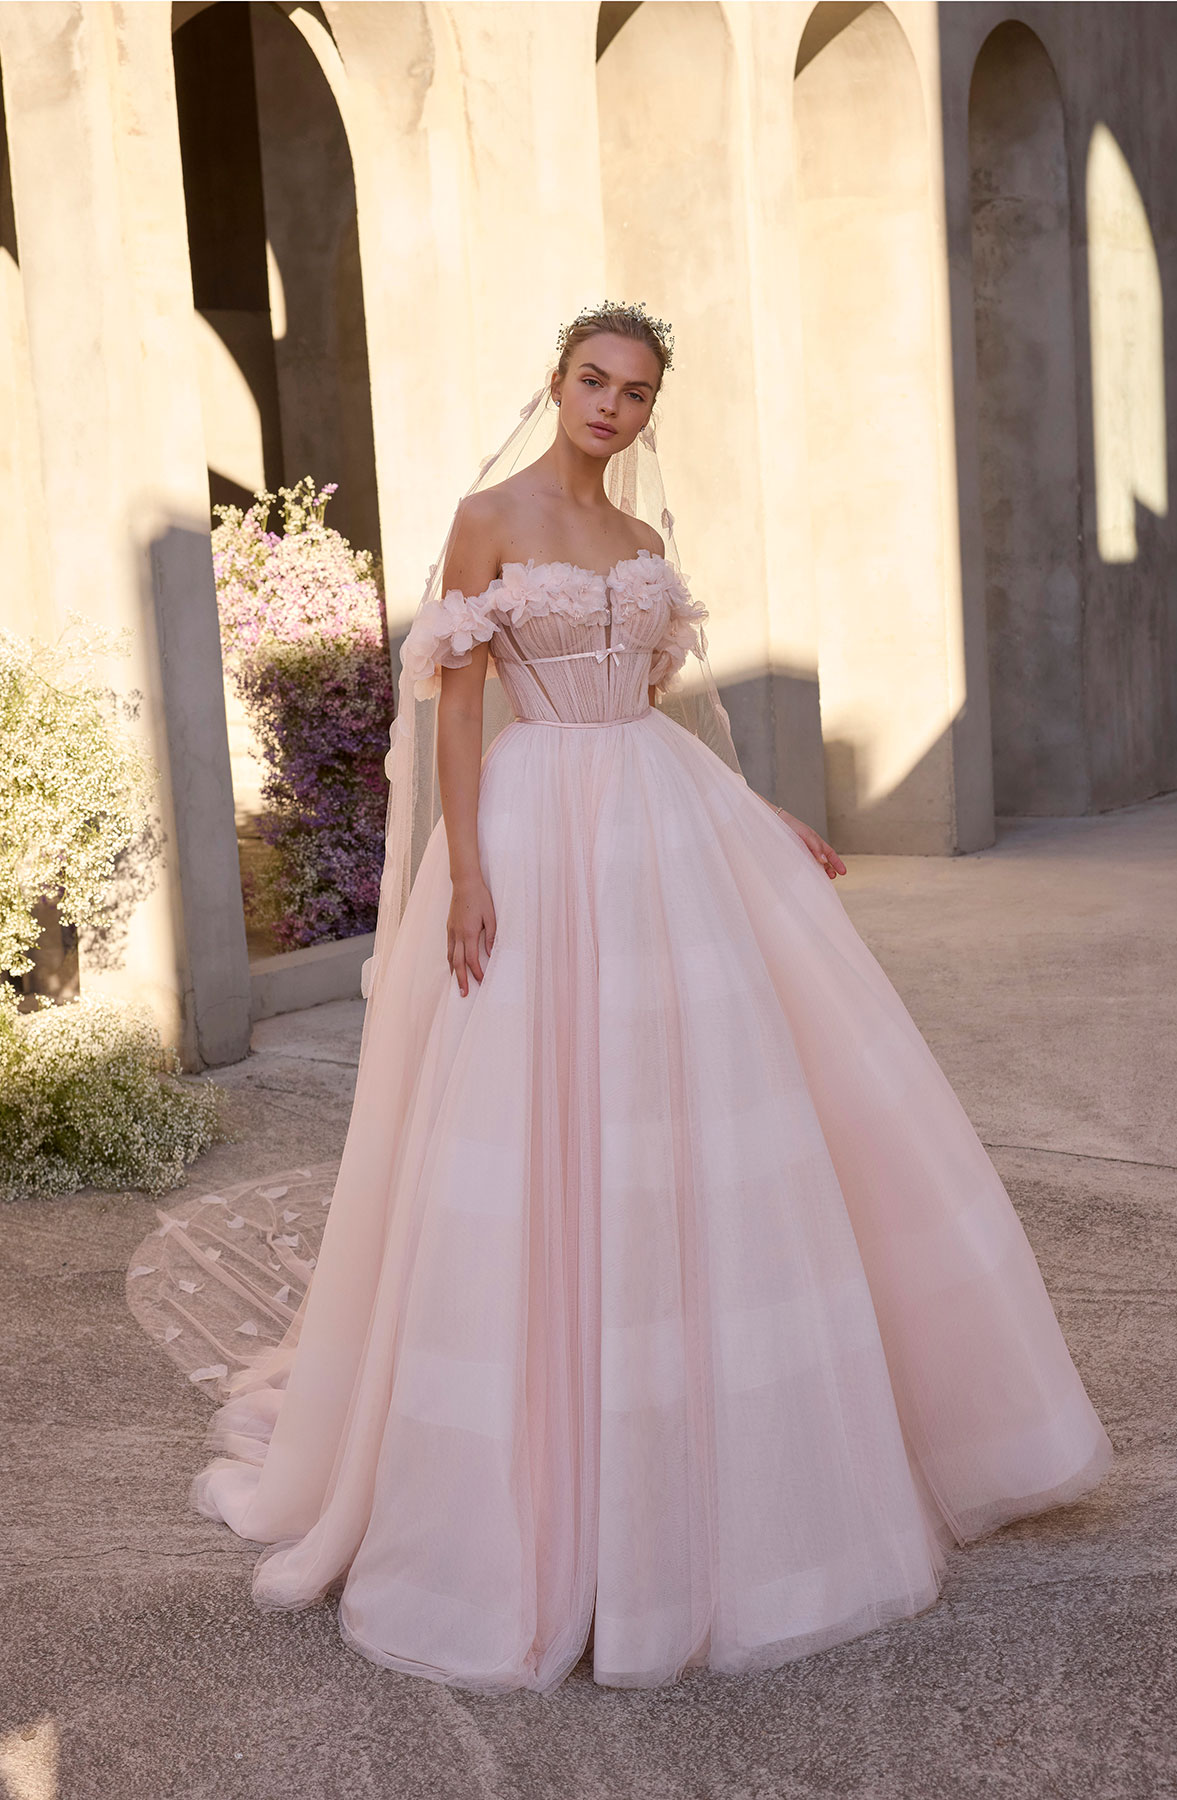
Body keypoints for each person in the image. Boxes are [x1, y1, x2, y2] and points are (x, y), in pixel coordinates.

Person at [150, 302, 1112, 1694]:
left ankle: (700, 1462)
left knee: (692, 1118)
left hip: (657, 824)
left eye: (637, 392)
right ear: (554, 383)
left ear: (651, 410)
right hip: (535, 838)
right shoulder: (489, 517)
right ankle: (547, 1486)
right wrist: (468, 873)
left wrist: (757, 812)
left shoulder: (648, 548)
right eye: (595, 381)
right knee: (540, 1115)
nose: (613, 406)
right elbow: (460, 710)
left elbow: (652, 714)